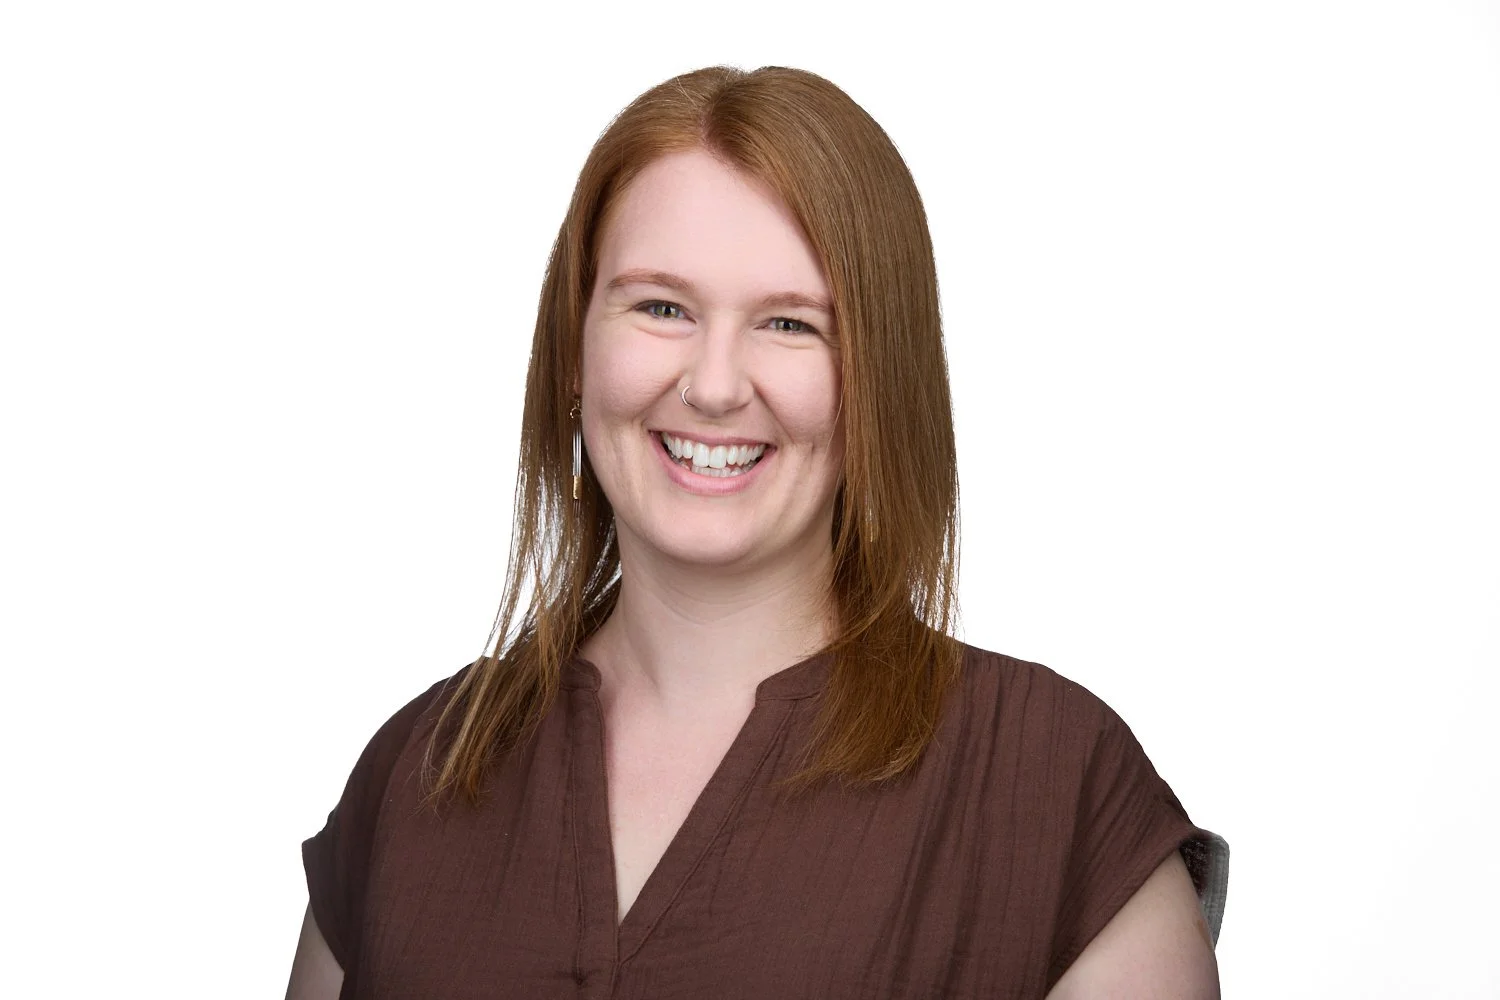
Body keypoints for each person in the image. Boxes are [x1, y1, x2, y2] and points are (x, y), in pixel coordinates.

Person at [286, 64, 1230, 1000]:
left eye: (789, 324)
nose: (714, 384)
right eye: (662, 307)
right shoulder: (416, 773)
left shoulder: (1052, 786)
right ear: (576, 348)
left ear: (877, 382)